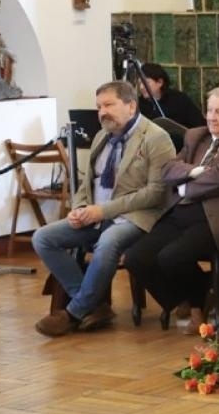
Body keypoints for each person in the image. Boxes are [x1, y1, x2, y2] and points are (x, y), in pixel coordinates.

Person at [33, 81, 176, 336]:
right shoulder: (101, 136)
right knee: (43, 238)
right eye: (99, 106)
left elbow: (155, 193)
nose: (101, 112)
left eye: (109, 105)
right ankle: (93, 305)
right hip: (95, 214)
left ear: (131, 106)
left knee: (108, 242)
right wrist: (79, 208)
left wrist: (104, 211)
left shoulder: (156, 138)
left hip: (134, 217)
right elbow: (86, 183)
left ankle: (73, 313)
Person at [124, 87, 219, 331]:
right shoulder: (197, 136)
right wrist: (194, 171)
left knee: (171, 258)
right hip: (180, 212)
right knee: (137, 258)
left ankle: (200, 302)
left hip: (214, 217)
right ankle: (199, 295)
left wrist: (186, 188)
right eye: (209, 111)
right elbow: (168, 170)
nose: (211, 117)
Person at [137, 63, 205, 128]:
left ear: (160, 82)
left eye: (146, 82)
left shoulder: (180, 100)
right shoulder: (138, 104)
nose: (141, 87)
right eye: (140, 83)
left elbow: (199, 125)